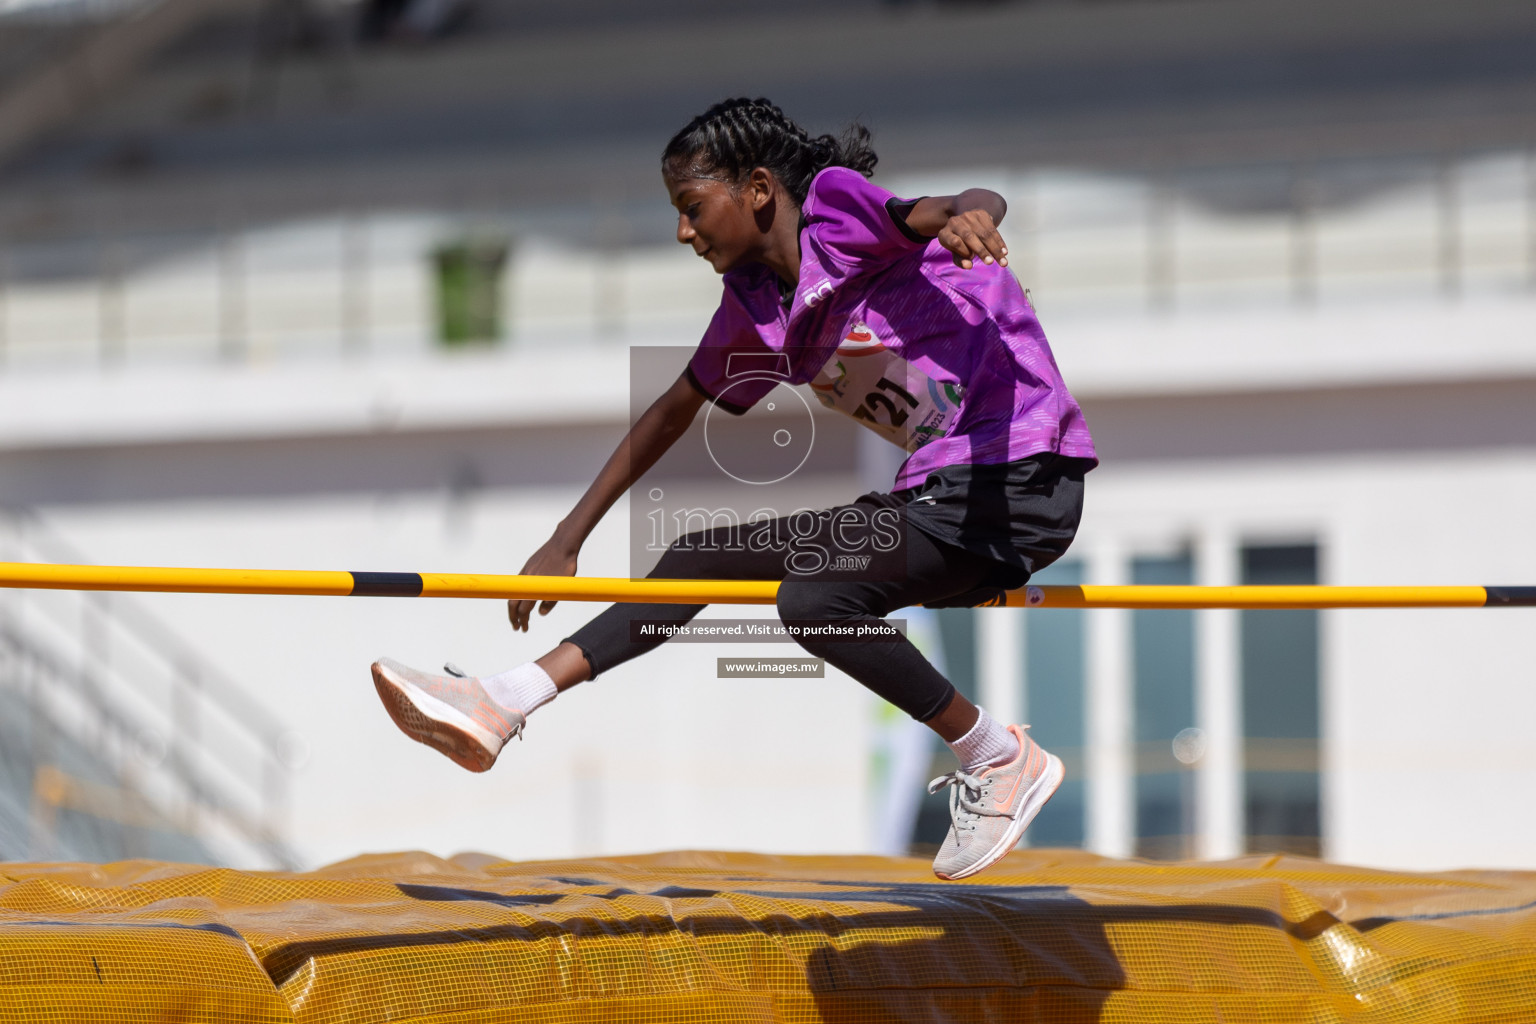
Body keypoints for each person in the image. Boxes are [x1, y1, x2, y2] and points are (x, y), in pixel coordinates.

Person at [371, 97, 1098, 880]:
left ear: (757, 189)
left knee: (814, 601)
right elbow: (671, 410)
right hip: (942, 497)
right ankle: (507, 699)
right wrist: (568, 536)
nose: (684, 232)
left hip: (1016, 481)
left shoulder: (829, 211)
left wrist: (972, 219)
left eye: (692, 208)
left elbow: (960, 203)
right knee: (696, 557)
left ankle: (997, 756)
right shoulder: (755, 309)